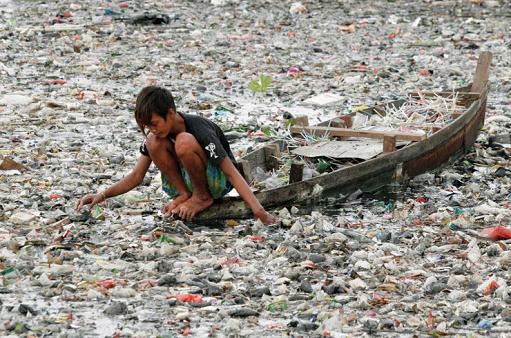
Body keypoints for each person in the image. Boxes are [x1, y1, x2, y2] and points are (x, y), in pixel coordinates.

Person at [75, 86, 276, 224]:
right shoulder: (156, 136)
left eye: (154, 123)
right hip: (188, 183)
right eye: (147, 126)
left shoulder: (199, 129)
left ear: (170, 113)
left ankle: (201, 197)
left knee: (184, 141)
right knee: (152, 142)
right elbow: (137, 176)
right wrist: (101, 195)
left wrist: (259, 211)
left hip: (217, 182)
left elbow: (232, 172)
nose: (152, 129)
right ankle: (185, 194)